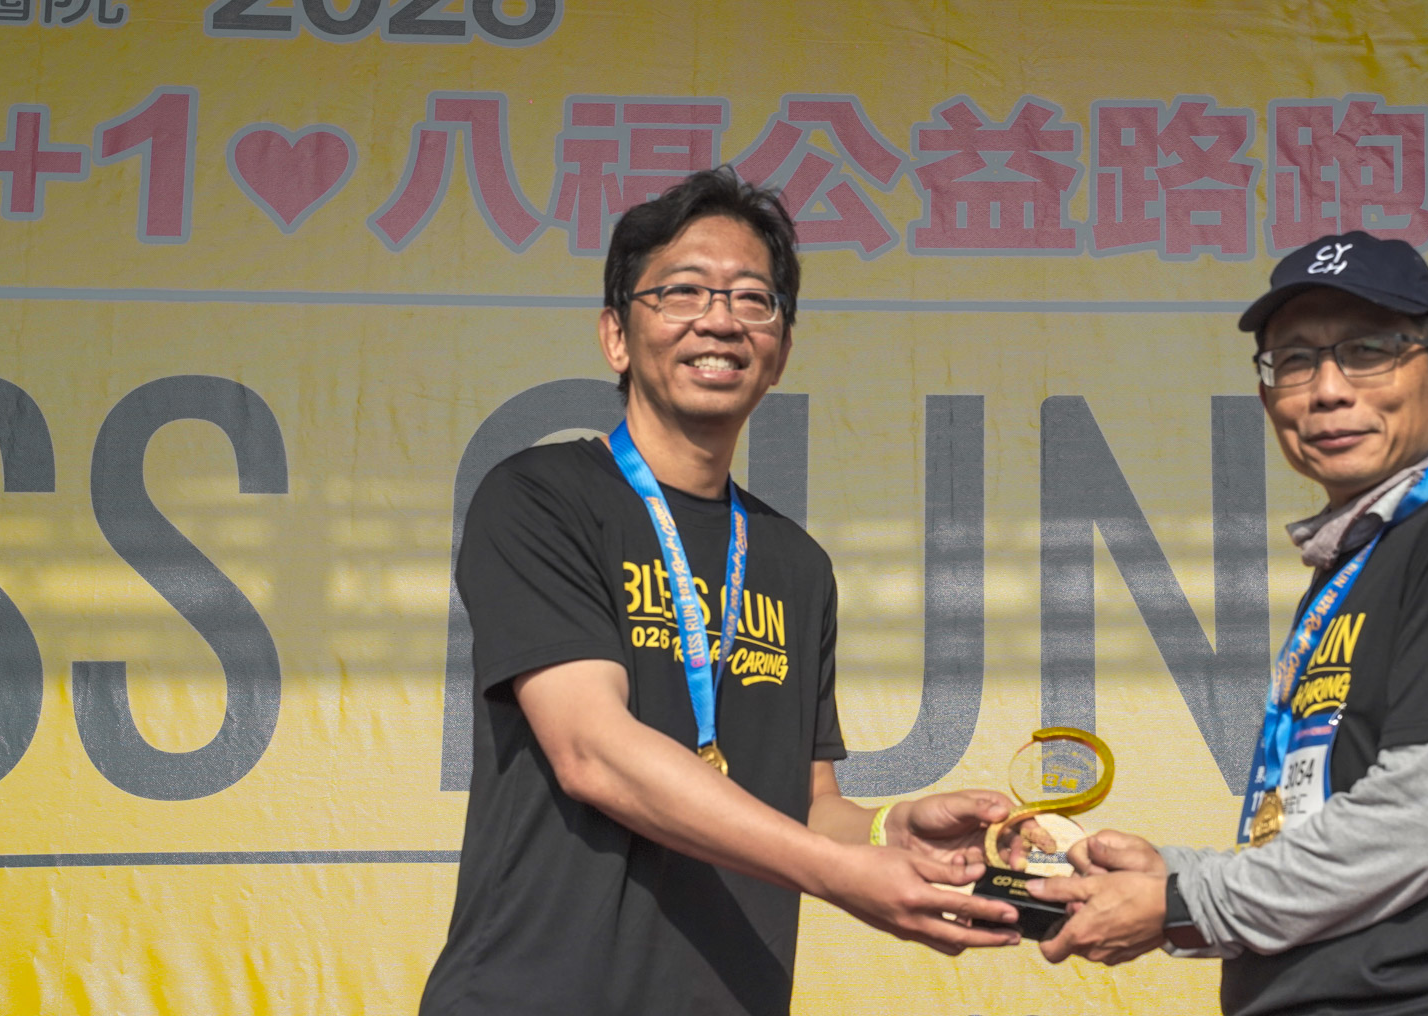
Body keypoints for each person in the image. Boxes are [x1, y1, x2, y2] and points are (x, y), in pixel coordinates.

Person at [419, 167, 1020, 1016]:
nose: (720, 320)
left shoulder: (795, 564)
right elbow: (591, 749)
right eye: (683, 291)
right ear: (616, 336)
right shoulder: (541, 498)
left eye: (752, 299)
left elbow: (807, 804)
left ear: (780, 350)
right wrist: (839, 874)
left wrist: (889, 830)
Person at [1029, 231, 1428, 1015]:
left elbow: (1422, 822)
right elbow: (1321, 822)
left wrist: (1183, 900)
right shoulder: (1355, 563)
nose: (1328, 391)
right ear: (1267, 398)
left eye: (1368, 352)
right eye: (1296, 361)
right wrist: (1165, 877)